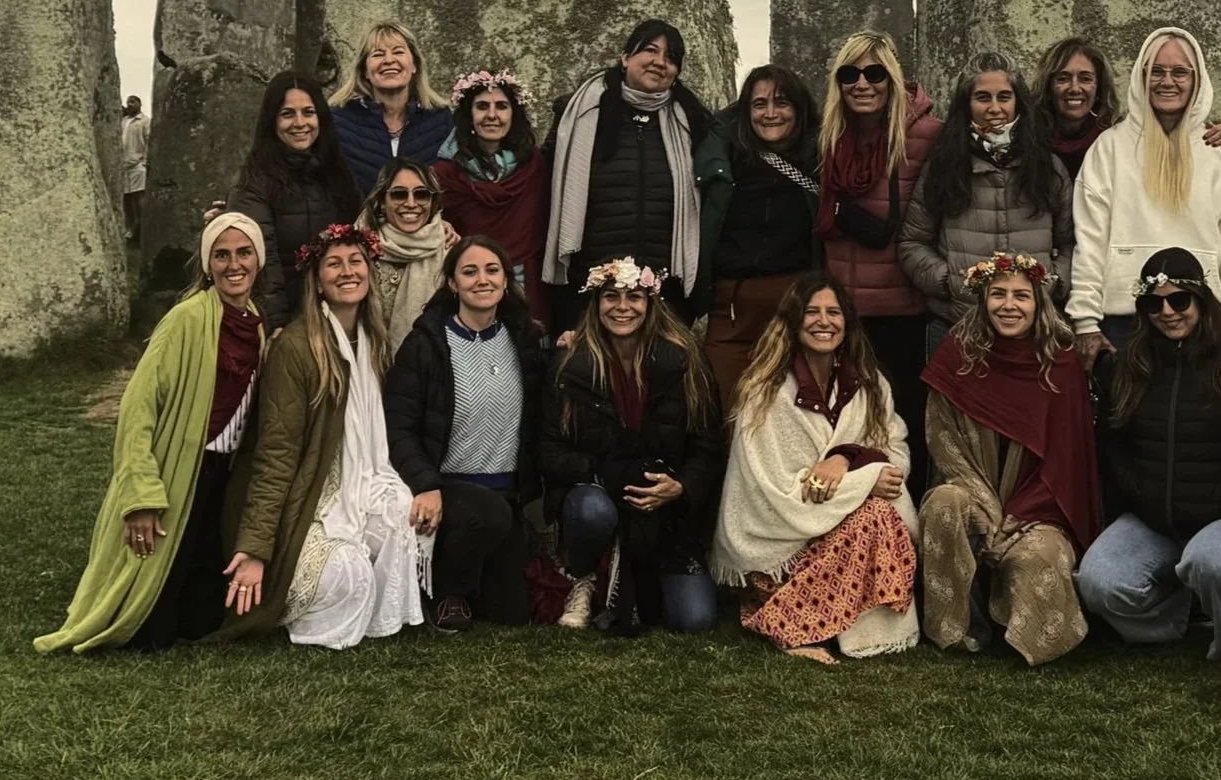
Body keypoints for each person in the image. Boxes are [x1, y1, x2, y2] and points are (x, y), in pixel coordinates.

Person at [36, 214, 268, 655]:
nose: (233, 264)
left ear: (259, 259)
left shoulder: (254, 319)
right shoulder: (186, 319)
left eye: (243, 253)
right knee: (149, 630)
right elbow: (137, 408)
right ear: (207, 264)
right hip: (180, 468)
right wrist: (141, 495)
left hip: (222, 471)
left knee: (200, 619)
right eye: (221, 255)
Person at [222, 224, 424, 649]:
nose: (347, 271)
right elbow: (275, 455)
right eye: (334, 264)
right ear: (316, 281)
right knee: (348, 572)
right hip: (311, 493)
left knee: (399, 511)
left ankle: (377, 619)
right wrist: (256, 547)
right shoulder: (295, 348)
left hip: (360, 479)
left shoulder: (374, 340)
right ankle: (314, 605)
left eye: (355, 262)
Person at [1075, 248, 1221, 660]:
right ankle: (1178, 618)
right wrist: (1140, 493)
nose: (1167, 311)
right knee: (1098, 582)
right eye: (1153, 302)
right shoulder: (1126, 368)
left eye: (1179, 300)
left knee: (1215, 562)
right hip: (1154, 521)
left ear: (1201, 300)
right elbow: (1112, 448)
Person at [710, 274, 919, 662]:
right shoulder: (767, 392)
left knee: (876, 514)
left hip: (834, 530)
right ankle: (786, 623)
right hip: (776, 549)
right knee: (871, 516)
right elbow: (782, 494)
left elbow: (895, 456)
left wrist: (846, 458)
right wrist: (866, 477)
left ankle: (845, 627)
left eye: (834, 312)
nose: (824, 321)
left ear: (848, 322)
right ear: (793, 321)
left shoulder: (870, 385)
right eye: (812, 312)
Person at [917, 254, 1102, 666]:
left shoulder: (1061, 362)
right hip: (973, 495)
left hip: (1038, 508)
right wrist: (988, 510)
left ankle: (1020, 635)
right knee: (943, 505)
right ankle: (961, 628)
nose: (1009, 305)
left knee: (1038, 557)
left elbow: (1068, 460)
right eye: (997, 294)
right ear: (983, 301)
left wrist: (1017, 517)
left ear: (1038, 303)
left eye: (1021, 295)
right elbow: (942, 440)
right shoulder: (958, 354)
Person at [540, 258, 722, 633]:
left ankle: (634, 580)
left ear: (650, 302)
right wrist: (608, 476)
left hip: (664, 510)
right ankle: (583, 573)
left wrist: (681, 487)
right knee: (592, 511)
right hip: (598, 493)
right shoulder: (569, 364)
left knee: (695, 619)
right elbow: (547, 449)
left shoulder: (685, 362)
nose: (622, 307)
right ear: (596, 303)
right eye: (611, 297)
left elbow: (707, 444)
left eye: (634, 297)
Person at [384, 234, 548, 633]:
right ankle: (447, 590)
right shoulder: (425, 345)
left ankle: (471, 574)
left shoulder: (523, 339)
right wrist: (425, 484)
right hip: (447, 491)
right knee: (487, 516)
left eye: (492, 270)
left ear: (506, 281)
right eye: (469, 271)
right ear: (453, 283)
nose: (482, 279)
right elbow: (399, 426)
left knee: (511, 613)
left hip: (507, 493)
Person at [1067, 27, 1221, 365]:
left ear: (1197, 80)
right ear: (1141, 76)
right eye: (1157, 70)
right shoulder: (1109, 149)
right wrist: (1085, 321)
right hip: (1124, 321)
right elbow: (1090, 241)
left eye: (1180, 72)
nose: (1167, 81)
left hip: (1203, 317)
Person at [815, 31, 940, 480]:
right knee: (846, 426)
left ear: (892, 78)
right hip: (845, 311)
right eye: (850, 74)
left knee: (905, 420)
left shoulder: (926, 135)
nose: (861, 84)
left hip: (904, 310)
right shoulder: (829, 137)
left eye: (874, 73)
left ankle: (912, 527)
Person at [899, 50, 1075, 345]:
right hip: (958, 324)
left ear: (1018, 101)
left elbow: (1069, 241)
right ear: (966, 104)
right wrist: (950, 281)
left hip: (1033, 326)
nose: (995, 108)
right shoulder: (944, 165)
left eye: (1004, 97)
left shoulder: (1046, 166)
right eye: (983, 98)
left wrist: (1052, 282)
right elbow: (912, 243)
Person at [542, 20, 713, 321]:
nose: (660, 62)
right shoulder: (580, 114)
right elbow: (540, 180)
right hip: (591, 285)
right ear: (625, 57)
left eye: (671, 57)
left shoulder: (694, 122)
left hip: (664, 288)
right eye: (650, 50)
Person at [692, 64, 822, 409]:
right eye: (758, 104)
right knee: (724, 407)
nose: (770, 114)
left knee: (792, 413)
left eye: (781, 103)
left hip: (794, 302)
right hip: (732, 305)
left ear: (798, 108)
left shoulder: (818, 160)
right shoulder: (724, 160)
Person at [228, 70, 363, 331]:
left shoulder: (338, 174)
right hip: (286, 322)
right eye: (287, 114)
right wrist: (276, 326)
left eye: (308, 112)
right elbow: (263, 264)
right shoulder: (255, 181)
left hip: (337, 316)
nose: (300, 122)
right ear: (272, 121)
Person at [433, 68, 551, 320]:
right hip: (469, 286)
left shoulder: (534, 166)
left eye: (501, 106)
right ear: (468, 114)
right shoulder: (445, 174)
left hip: (527, 283)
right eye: (482, 106)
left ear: (513, 113)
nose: (492, 115)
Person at [329, 20, 452, 197]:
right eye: (378, 54)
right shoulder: (339, 120)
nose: (389, 60)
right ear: (365, 70)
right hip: (357, 223)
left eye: (398, 52)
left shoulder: (440, 119)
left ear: (414, 65)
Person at [361, 159, 458, 350]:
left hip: (427, 366)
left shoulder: (451, 251)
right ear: (382, 201)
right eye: (399, 195)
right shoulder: (358, 246)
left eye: (421, 194)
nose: (411, 204)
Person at [1033, 37, 1122, 176]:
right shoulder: (1028, 140)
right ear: (1048, 88)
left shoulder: (1115, 143)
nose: (1075, 88)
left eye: (1085, 79)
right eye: (1063, 78)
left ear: (1099, 89)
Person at [121, 96, 150, 242]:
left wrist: (144, 161)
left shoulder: (144, 121)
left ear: (139, 103)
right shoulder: (124, 121)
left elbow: (148, 140)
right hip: (123, 165)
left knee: (138, 198)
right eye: (128, 102)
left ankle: (142, 229)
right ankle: (131, 228)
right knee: (126, 200)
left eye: (133, 101)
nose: (130, 104)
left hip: (137, 164)